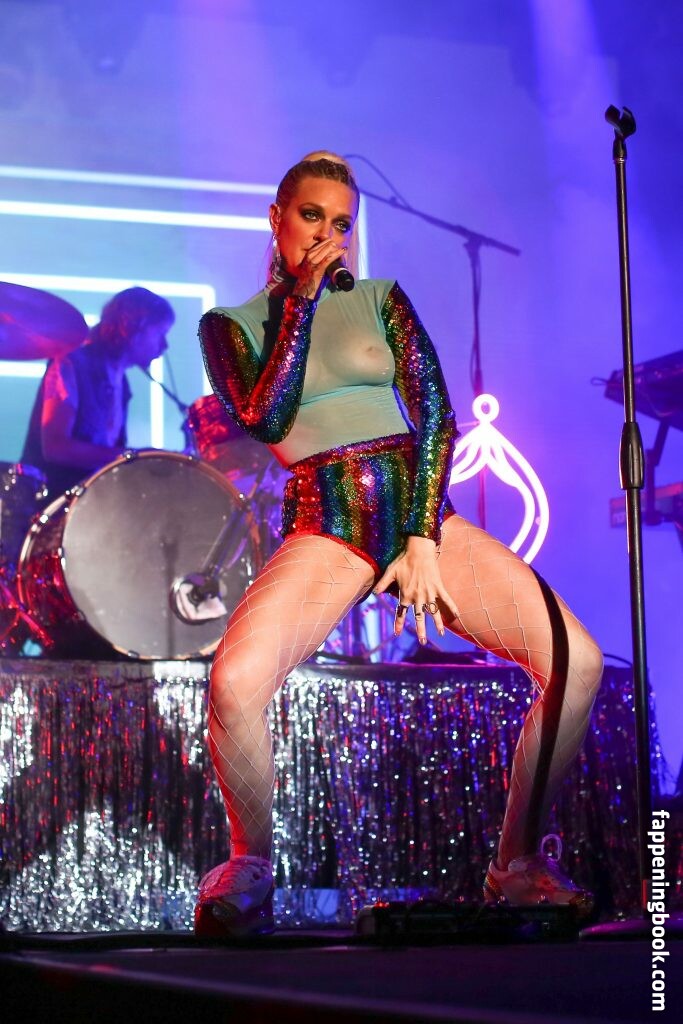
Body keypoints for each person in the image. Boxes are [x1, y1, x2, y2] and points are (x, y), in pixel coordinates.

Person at [195, 154, 604, 937]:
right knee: (235, 681)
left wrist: (420, 536)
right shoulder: (229, 327)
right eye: (311, 216)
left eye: (341, 223)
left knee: (576, 662)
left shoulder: (380, 298)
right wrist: (301, 302)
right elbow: (268, 417)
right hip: (328, 524)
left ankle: (516, 862)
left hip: (420, 520)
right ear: (276, 219)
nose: (327, 234)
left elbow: (437, 415)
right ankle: (250, 864)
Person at [22, 287, 174, 500]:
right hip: (49, 501)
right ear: (133, 327)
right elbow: (55, 447)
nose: (164, 345)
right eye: (160, 333)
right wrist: (136, 456)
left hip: (87, 504)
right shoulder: (71, 362)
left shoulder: (122, 384)